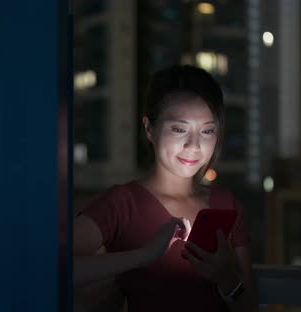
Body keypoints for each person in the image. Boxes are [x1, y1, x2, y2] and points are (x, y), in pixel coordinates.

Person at [73, 64, 259, 312]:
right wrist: (141, 256)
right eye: (179, 129)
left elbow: (250, 307)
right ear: (149, 128)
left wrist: (227, 280)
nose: (194, 145)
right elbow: (49, 265)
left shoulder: (226, 206)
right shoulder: (122, 204)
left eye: (207, 131)